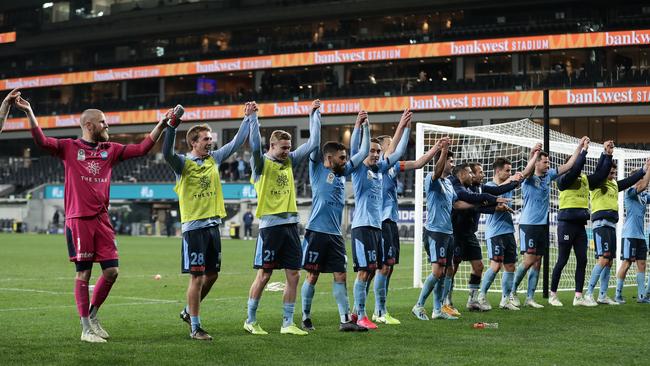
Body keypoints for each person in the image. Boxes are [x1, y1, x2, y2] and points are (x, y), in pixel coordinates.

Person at [16, 95, 166, 343]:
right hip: (79, 220)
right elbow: (41, 141)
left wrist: (161, 125)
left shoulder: (111, 150)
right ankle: (85, 329)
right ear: (89, 125)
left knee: (112, 272)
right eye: (104, 122)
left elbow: (141, 148)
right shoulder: (69, 148)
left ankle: (93, 315)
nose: (108, 126)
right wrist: (30, 111)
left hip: (102, 220)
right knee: (83, 275)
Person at [163, 102, 253, 340]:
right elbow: (166, 153)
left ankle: (187, 312)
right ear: (193, 142)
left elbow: (235, 143)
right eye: (205, 139)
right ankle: (195, 326)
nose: (210, 141)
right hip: (193, 228)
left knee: (212, 275)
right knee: (197, 276)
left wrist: (248, 118)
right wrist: (172, 126)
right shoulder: (182, 163)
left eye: (210, 138)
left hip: (213, 226)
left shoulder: (214, 159)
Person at [244, 99, 321, 336]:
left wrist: (314, 115)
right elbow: (255, 146)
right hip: (270, 227)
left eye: (289, 147)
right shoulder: (260, 163)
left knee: (294, 275)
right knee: (265, 274)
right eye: (283, 148)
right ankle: (250, 320)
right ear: (272, 146)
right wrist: (253, 118)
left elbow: (314, 142)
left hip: (290, 226)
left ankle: (287, 323)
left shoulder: (289, 162)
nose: (287, 151)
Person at [299, 111, 370, 332]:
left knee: (341, 275)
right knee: (313, 275)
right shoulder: (317, 167)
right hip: (316, 232)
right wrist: (315, 114)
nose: (346, 160)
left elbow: (364, 152)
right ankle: (305, 316)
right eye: (342, 157)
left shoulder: (343, 172)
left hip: (335, 235)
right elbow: (315, 139)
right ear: (329, 158)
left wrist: (363, 126)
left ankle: (345, 320)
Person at [375, 110, 438, 324]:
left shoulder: (393, 167)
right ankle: (379, 311)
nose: (394, 145)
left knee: (389, 266)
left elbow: (418, 164)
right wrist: (403, 125)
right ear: (383, 148)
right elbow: (396, 149)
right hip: (381, 221)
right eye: (390, 143)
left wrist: (435, 149)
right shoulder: (380, 164)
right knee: (383, 266)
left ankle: (379, 309)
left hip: (390, 220)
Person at [349, 110, 409, 329]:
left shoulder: (380, 170)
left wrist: (406, 125)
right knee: (365, 271)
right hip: (362, 226)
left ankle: (359, 314)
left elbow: (399, 150)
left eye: (377, 151)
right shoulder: (358, 168)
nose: (375, 154)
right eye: (372, 151)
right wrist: (362, 125)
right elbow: (357, 148)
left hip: (375, 227)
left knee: (372, 270)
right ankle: (361, 315)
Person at [510, 138, 586, 308]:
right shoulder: (528, 177)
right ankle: (511, 293)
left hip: (543, 225)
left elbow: (568, 166)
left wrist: (580, 147)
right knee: (528, 260)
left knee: (537, 261)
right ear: (536, 163)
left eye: (548, 161)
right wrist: (532, 153)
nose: (548, 164)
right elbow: (527, 171)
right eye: (545, 161)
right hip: (529, 224)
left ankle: (530, 298)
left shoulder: (549, 175)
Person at [411, 141, 481, 320]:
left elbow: (456, 203)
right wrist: (443, 151)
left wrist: (481, 204)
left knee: (447, 270)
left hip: (448, 233)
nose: (452, 164)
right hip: (435, 232)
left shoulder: (449, 185)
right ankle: (418, 305)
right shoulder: (432, 178)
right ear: (442, 162)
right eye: (450, 161)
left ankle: (438, 309)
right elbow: (436, 171)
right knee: (437, 271)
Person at [549, 140, 613, 306]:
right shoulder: (563, 179)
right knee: (562, 260)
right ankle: (552, 295)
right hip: (566, 224)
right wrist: (583, 151)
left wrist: (606, 154)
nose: (578, 166)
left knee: (582, 260)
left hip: (580, 225)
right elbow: (576, 168)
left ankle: (578, 296)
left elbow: (600, 175)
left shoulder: (584, 178)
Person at [452, 162, 520, 312]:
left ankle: (473, 299)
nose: (482, 175)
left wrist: (516, 180)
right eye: (479, 172)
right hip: (456, 233)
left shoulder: (479, 187)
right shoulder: (459, 187)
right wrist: (493, 201)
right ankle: (446, 300)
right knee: (453, 267)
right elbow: (471, 198)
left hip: (470, 233)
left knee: (479, 267)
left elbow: (498, 191)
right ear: (468, 174)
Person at [477, 150, 537, 311]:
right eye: (507, 170)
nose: (510, 173)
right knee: (496, 265)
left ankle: (505, 299)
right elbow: (485, 206)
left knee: (510, 266)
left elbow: (524, 174)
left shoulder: (508, 185)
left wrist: (533, 156)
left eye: (511, 170)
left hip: (508, 231)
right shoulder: (489, 186)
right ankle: (481, 295)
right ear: (498, 171)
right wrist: (499, 207)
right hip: (494, 232)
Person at [586, 152, 647, 305]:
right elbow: (637, 183)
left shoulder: (614, 184)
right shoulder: (597, 183)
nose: (613, 175)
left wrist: (643, 170)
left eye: (614, 173)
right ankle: (588, 293)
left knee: (610, 261)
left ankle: (603, 295)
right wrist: (606, 154)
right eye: (611, 172)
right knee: (604, 258)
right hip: (601, 223)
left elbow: (629, 181)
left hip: (612, 225)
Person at [615, 160, 650, 304]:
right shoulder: (629, 192)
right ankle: (617, 294)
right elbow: (644, 185)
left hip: (640, 235)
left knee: (642, 264)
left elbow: (645, 187)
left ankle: (642, 296)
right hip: (629, 234)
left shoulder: (643, 196)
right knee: (627, 263)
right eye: (641, 177)